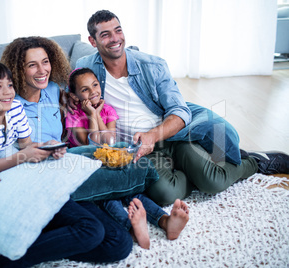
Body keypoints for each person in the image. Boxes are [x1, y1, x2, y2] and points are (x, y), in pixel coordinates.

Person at [69, 10, 289, 207]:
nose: (115, 38)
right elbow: (71, 89)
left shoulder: (152, 65)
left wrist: (152, 136)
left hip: (171, 137)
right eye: (105, 34)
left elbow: (180, 111)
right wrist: (68, 99)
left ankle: (255, 161)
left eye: (118, 30)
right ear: (92, 40)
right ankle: (192, 169)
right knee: (165, 195)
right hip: (137, 150)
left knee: (214, 181)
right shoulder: (86, 67)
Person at [0, 37, 133, 268]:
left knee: (119, 244)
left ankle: (2, 243)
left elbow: (77, 98)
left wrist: (53, 142)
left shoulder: (53, 91)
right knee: (91, 231)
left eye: (45, 62)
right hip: (27, 185)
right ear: (19, 69)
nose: (42, 69)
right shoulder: (6, 102)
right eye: (32, 65)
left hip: (55, 175)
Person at [66, 67, 189, 249]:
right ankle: (132, 229)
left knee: (132, 192)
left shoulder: (107, 110)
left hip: (108, 162)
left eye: (95, 85)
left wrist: (98, 114)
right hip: (86, 168)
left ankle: (165, 221)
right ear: (75, 96)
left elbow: (108, 141)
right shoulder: (73, 115)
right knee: (109, 197)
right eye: (85, 89)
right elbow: (91, 146)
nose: (93, 92)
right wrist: (92, 115)